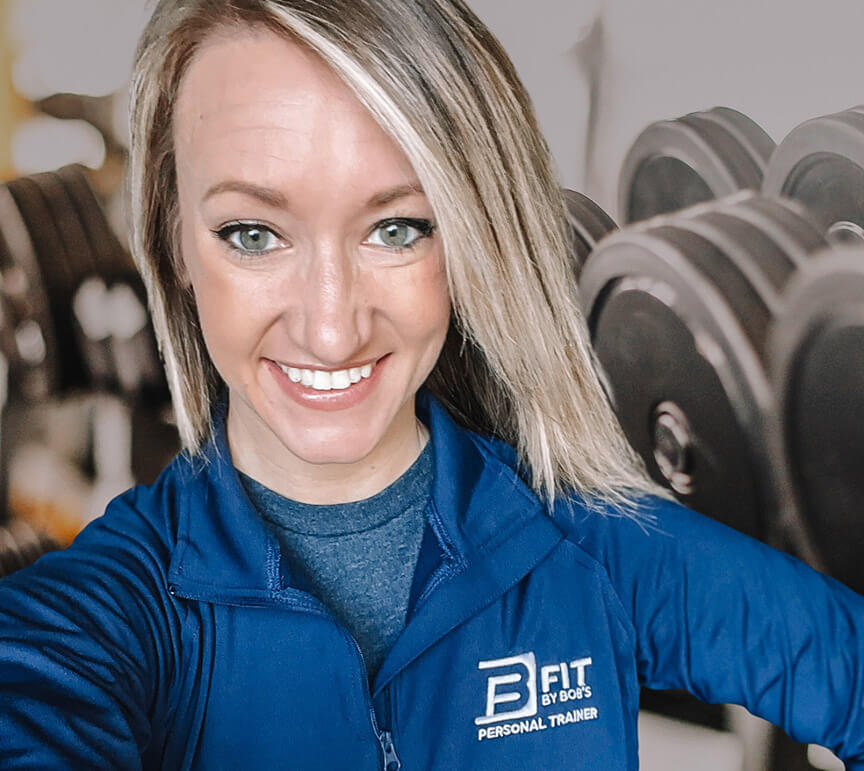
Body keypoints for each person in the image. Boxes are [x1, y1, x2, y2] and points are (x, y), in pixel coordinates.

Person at [1, 1, 863, 769]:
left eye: (397, 228)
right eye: (253, 234)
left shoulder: (590, 546)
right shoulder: (111, 617)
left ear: (470, 238)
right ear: (173, 241)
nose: (331, 326)